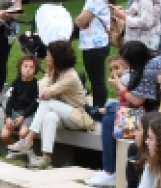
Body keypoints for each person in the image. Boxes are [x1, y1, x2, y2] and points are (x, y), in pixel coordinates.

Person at [92, 42, 161, 187]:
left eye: (125, 61)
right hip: (154, 109)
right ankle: (110, 172)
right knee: (111, 109)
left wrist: (119, 86)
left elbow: (137, 100)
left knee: (110, 118)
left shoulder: (150, 68)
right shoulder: (155, 58)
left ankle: (109, 171)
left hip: (151, 112)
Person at [7, 41, 95, 169]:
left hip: (77, 117)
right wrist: (49, 73)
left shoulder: (70, 76)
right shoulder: (55, 72)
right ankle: (46, 157)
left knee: (47, 102)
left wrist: (47, 74)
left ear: (57, 58)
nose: (46, 57)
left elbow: (43, 93)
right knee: (50, 117)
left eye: (49, 55)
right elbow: (40, 89)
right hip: (62, 115)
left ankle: (28, 139)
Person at [75, 0, 116, 116]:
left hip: (96, 45)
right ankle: (97, 107)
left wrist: (79, 21)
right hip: (90, 44)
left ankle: (100, 109)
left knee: (97, 79)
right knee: (94, 78)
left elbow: (81, 20)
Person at [1, 55, 39, 149]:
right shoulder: (15, 83)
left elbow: (34, 104)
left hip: (28, 114)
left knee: (23, 133)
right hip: (15, 112)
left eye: (31, 67)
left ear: (35, 69)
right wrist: (8, 117)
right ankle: (14, 148)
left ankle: (24, 149)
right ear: (20, 68)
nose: (28, 69)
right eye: (25, 66)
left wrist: (23, 116)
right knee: (4, 135)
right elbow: (9, 101)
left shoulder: (36, 85)